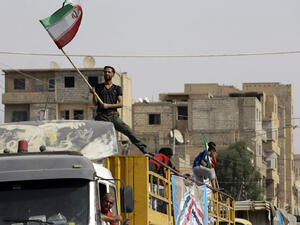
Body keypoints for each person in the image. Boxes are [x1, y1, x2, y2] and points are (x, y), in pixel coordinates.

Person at [91, 66, 147, 154]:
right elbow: (94, 103)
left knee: (128, 130)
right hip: (101, 116)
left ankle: (143, 148)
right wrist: (94, 94)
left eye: (109, 72)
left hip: (113, 116)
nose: (107, 74)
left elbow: (121, 104)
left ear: (113, 74)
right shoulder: (98, 87)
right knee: (94, 135)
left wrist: (108, 106)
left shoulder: (117, 88)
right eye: (105, 72)